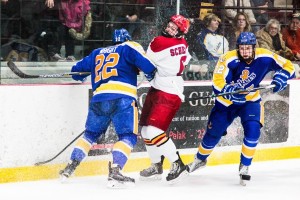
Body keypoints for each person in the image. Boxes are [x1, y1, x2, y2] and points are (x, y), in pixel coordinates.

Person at [186, 32, 295, 185]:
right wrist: (229, 93)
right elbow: (217, 82)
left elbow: (288, 66)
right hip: (226, 103)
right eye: (241, 48)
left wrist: (281, 77)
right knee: (213, 133)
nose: (244, 51)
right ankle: (200, 160)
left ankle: (245, 166)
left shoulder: (265, 56)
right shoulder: (227, 58)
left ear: (254, 47)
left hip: (250, 101)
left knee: (253, 131)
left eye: (247, 48)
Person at [59, 28, 157, 188]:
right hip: (123, 98)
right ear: (127, 38)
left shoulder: (97, 52)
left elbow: (76, 72)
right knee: (127, 136)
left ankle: (70, 167)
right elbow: (149, 67)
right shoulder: (129, 47)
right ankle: (116, 170)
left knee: (90, 135)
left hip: (99, 98)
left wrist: (80, 74)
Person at [138, 14, 191, 184]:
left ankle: (177, 164)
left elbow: (145, 62)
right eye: (169, 25)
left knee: (153, 131)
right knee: (146, 131)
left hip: (168, 90)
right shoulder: (183, 42)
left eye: (173, 28)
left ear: (180, 32)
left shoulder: (159, 41)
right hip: (160, 86)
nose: (169, 29)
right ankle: (156, 166)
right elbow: (186, 58)